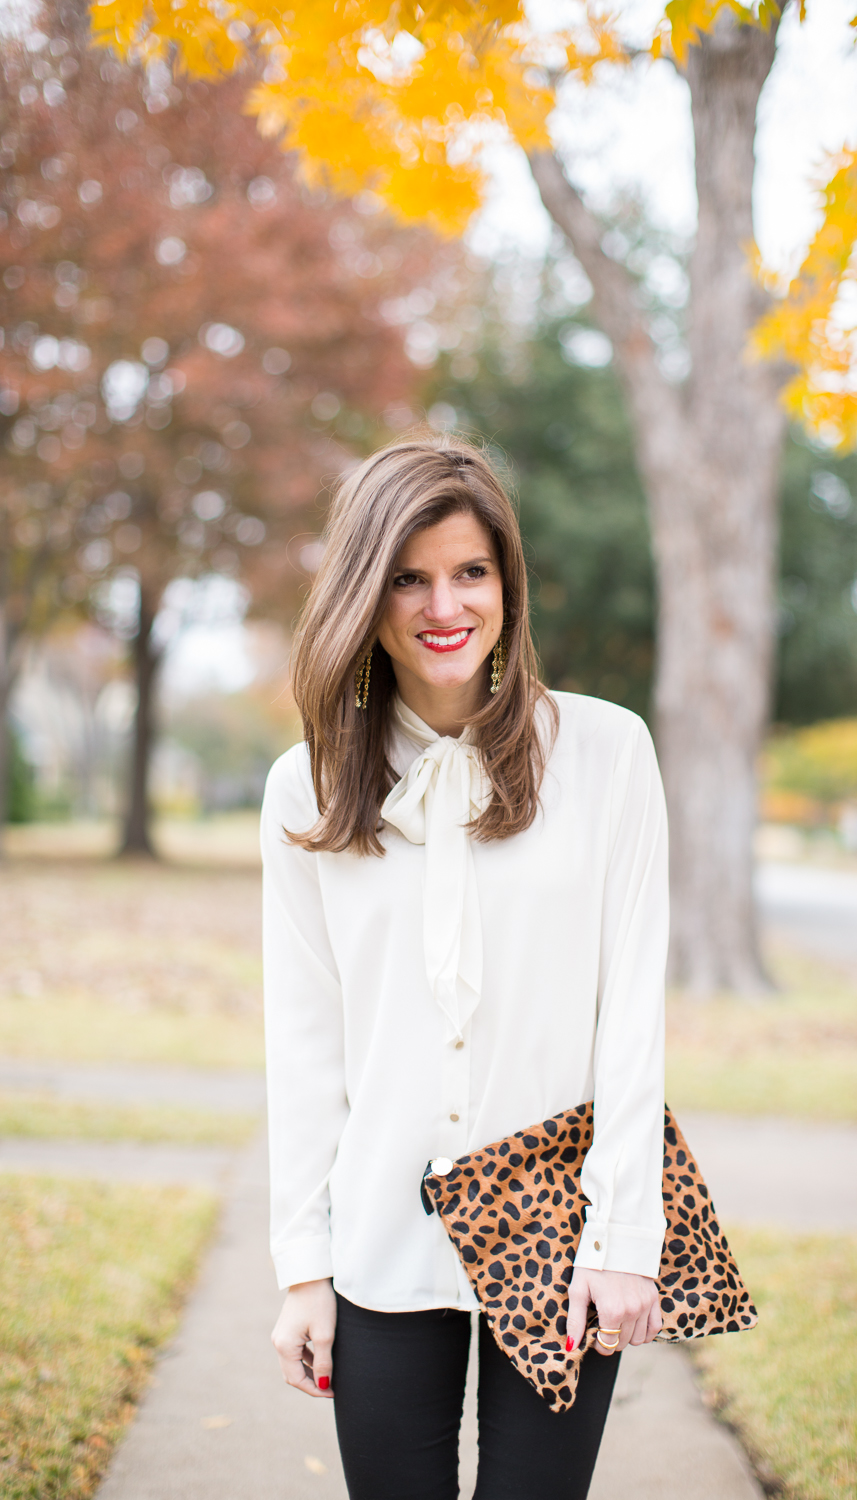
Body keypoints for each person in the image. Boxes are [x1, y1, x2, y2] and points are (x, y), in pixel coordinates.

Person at [263, 436, 670, 1500]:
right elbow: (305, 1042)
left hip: (560, 1232)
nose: (444, 605)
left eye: (470, 572)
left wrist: (626, 1234)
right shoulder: (301, 789)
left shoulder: (607, 753)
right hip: (380, 1236)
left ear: (507, 585)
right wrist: (304, 1269)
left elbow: (630, 1016)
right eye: (408, 576)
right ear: (365, 591)